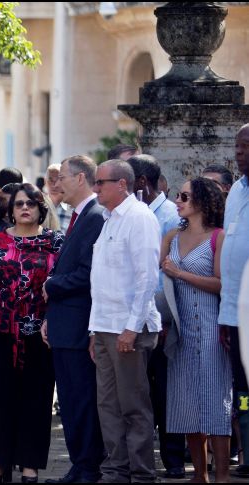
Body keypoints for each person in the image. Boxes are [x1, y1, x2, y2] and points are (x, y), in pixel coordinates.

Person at [0, 183, 63, 483]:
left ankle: (30, 463)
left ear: (40, 209)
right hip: (3, 330)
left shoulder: (55, 242)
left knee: (37, 398)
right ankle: (1, 463)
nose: (24, 208)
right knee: (1, 397)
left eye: (31, 204)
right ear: (11, 209)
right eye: (19, 203)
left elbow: (62, 287)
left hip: (41, 332)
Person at [89, 159, 161, 483]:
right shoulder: (108, 219)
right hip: (105, 326)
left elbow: (148, 277)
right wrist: (94, 329)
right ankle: (115, 470)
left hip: (128, 327)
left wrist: (132, 328)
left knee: (133, 405)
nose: (95, 188)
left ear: (122, 184)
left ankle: (142, 474)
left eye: (101, 182)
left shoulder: (139, 218)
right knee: (108, 405)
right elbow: (103, 280)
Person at [161, 177, 230, 482]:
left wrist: (180, 273)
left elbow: (220, 284)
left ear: (202, 201)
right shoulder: (172, 236)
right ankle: (199, 475)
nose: (178, 200)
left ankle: (223, 476)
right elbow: (158, 278)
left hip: (212, 330)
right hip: (180, 329)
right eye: (178, 195)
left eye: (184, 196)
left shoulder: (219, 237)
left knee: (215, 402)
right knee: (185, 404)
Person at [41, 155, 105, 483]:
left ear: (80, 179)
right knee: (70, 400)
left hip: (80, 326)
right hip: (65, 324)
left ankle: (87, 466)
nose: (56, 184)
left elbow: (87, 273)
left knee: (80, 400)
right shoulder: (80, 215)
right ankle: (80, 465)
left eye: (62, 177)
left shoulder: (94, 216)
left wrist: (52, 285)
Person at [126, 153, 185, 479]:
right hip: (134, 319)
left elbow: (168, 273)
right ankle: (140, 459)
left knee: (165, 391)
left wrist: (161, 316)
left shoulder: (172, 217)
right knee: (138, 394)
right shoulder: (129, 214)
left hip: (162, 319)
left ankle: (173, 458)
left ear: (142, 184)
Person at [220, 123, 249, 477]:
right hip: (234, 311)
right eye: (237, 146)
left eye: (246, 145)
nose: (239, 151)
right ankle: (247, 455)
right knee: (242, 391)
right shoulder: (236, 192)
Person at [46, 164, 71, 233]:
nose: (54, 185)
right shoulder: (37, 206)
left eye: (58, 180)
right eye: (51, 180)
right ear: (45, 181)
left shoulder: (72, 208)